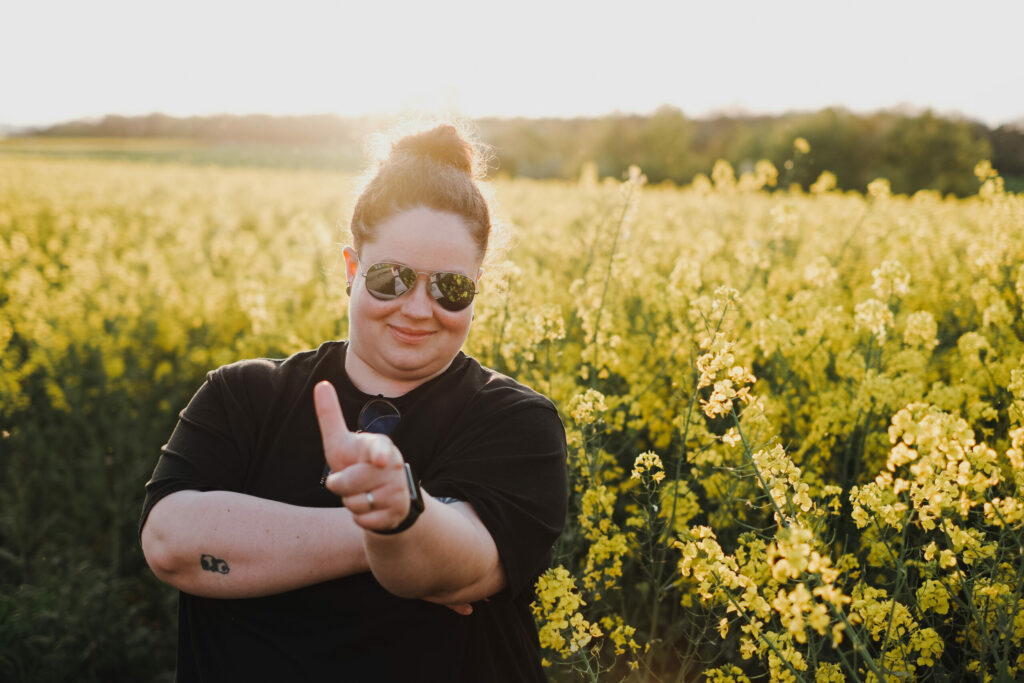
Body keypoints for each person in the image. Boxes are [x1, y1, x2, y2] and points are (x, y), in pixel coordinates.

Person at [139, 124, 568, 681]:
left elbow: (468, 568)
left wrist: (397, 514)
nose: (418, 309)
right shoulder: (242, 395)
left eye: (451, 288)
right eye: (392, 278)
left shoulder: (515, 421)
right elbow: (171, 543)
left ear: (478, 286)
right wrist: (391, 523)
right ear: (351, 270)